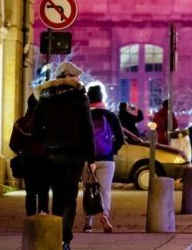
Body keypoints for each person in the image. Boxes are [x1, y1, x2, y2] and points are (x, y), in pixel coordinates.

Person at [33, 61, 96, 250]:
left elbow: (36, 129)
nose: (78, 79)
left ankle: (57, 234)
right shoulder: (79, 97)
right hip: (74, 154)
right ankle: (65, 239)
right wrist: (91, 158)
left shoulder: (45, 97)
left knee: (58, 196)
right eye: (75, 75)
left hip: (52, 153)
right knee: (69, 197)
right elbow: (87, 129)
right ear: (67, 76)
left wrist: (47, 141)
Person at [82, 84, 123, 233]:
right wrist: (112, 151)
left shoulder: (84, 115)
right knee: (105, 190)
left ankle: (88, 222)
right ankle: (105, 215)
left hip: (88, 159)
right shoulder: (111, 116)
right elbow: (120, 138)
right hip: (107, 159)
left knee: (89, 189)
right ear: (101, 98)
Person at [9, 94, 49, 216]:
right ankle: (43, 214)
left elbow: (12, 144)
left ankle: (30, 217)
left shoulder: (20, 123)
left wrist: (21, 151)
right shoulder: (47, 123)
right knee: (43, 190)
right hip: (44, 160)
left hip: (27, 160)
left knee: (30, 191)